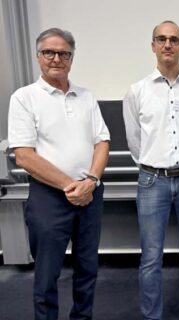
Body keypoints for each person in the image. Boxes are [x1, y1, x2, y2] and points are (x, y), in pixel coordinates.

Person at [7, 27, 110, 320]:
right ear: (38, 57)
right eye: (49, 52)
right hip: (49, 197)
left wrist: (90, 181)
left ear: (71, 58)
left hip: (90, 194)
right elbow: (24, 155)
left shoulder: (86, 96)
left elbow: (102, 141)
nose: (56, 58)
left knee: (87, 268)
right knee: (47, 274)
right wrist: (70, 186)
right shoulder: (24, 98)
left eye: (63, 53)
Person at [123, 20, 179, 320]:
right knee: (150, 257)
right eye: (161, 39)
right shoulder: (137, 91)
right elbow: (134, 140)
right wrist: (153, 164)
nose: (167, 45)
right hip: (152, 181)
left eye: (174, 40)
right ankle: (152, 316)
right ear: (152, 45)